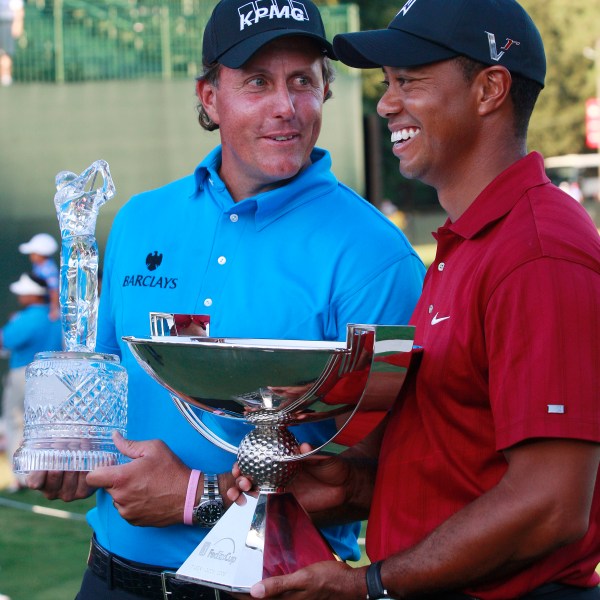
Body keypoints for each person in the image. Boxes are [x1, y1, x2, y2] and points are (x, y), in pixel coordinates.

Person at [27, 1, 425, 599]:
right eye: (257, 82)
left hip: (270, 588)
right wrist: (67, 450)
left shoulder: (376, 255)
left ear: (326, 92)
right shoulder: (139, 220)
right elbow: (103, 386)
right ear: (209, 97)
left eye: (303, 82)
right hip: (109, 577)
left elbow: (382, 478)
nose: (285, 107)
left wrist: (195, 496)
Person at [228, 0, 600, 598]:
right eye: (386, 83)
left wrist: (370, 585)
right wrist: (353, 486)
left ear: (489, 89)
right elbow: (465, 459)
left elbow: (550, 504)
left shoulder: (538, 253)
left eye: (409, 80)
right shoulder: (471, 242)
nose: (386, 102)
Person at [0, 273, 62, 491]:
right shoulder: (56, 316)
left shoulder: (27, 318)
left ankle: (21, 477)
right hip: (52, 375)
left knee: (15, 421)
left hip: (24, 373)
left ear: (32, 295)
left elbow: (5, 339)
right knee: (42, 425)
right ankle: (41, 472)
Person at [18, 233, 60, 321]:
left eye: (33, 253)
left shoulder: (48, 270)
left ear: (40, 254)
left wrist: (54, 309)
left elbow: (54, 290)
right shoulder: (38, 266)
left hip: (46, 303)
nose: (30, 256)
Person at [0, 0, 23, 87]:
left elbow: (19, 9)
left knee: (6, 52)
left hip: (6, 22)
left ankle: (5, 76)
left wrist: (18, 23)